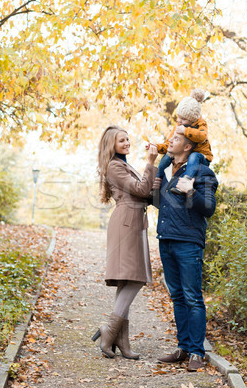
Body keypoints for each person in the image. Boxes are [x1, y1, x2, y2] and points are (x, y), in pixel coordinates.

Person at [151, 130, 218, 372]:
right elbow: (160, 204)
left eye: (176, 140)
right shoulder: (167, 170)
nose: (170, 142)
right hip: (166, 239)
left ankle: (197, 353)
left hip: (188, 242)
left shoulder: (202, 172)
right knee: (177, 296)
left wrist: (191, 190)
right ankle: (183, 347)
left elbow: (208, 208)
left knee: (192, 297)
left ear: (188, 147)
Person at [92, 125, 158, 360]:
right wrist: (151, 162)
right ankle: (109, 330)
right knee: (136, 278)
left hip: (133, 221)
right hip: (126, 223)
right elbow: (140, 189)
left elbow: (143, 191)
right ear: (112, 144)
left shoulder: (124, 165)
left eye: (128, 139)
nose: (127, 143)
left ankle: (122, 340)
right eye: (122, 141)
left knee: (127, 280)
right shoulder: (114, 166)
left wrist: (152, 182)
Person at [153, 89, 213, 195]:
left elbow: (202, 136)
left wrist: (186, 130)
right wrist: (157, 147)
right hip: (187, 154)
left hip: (202, 157)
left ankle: (185, 182)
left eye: (183, 119)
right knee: (167, 156)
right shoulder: (179, 125)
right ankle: (157, 181)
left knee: (193, 156)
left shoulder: (200, 124)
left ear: (193, 119)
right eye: (178, 117)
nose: (179, 121)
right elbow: (169, 143)